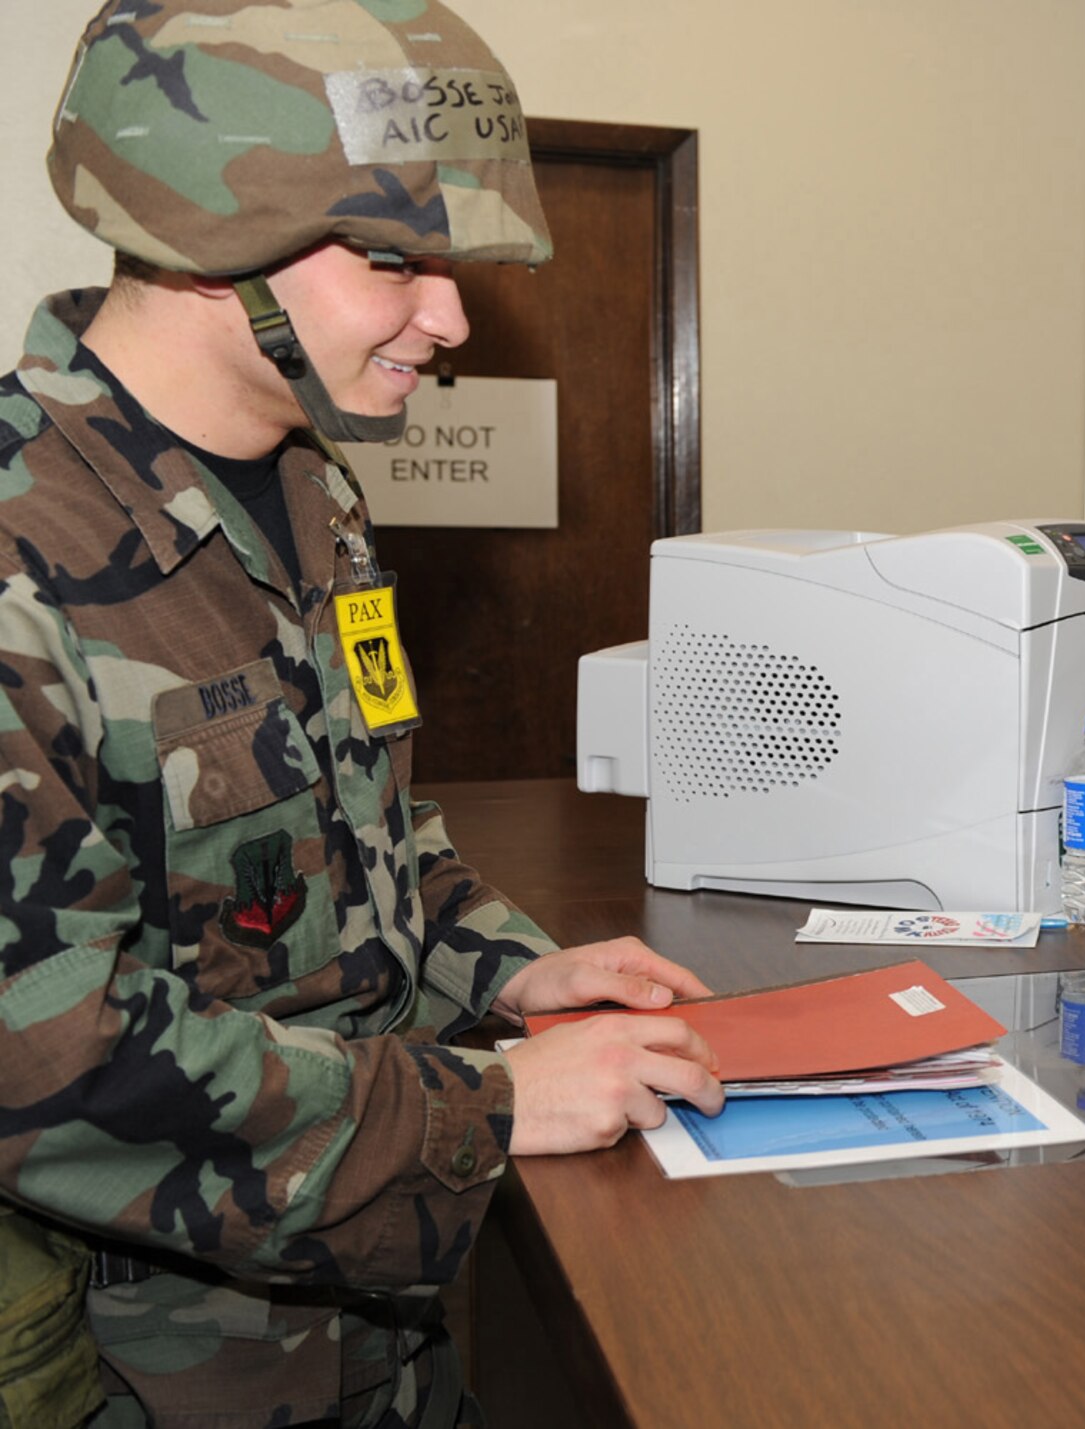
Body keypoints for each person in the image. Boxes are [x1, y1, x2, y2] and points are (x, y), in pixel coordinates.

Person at [0, 3, 725, 1424]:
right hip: (153, 1375)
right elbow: (48, 1060)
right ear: (212, 236)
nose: (450, 318)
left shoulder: (316, 497)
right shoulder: (21, 562)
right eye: (397, 258)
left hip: (381, 1328)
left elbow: (369, 838)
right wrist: (497, 1106)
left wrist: (510, 975)